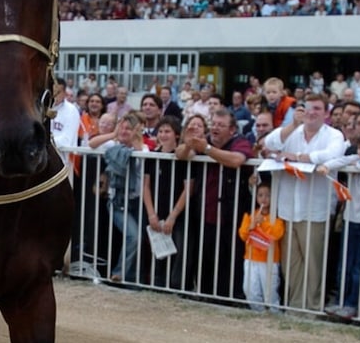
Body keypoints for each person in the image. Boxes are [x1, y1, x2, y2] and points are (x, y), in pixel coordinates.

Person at [263, 93, 348, 311]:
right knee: (291, 264)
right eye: (308, 108)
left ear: (326, 113)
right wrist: (292, 124)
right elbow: (269, 143)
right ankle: (295, 307)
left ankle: (311, 309)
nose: (311, 113)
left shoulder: (334, 135)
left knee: (313, 264)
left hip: (315, 210)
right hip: (287, 208)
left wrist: (298, 157)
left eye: (317, 108)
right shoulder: (293, 130)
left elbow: (332, 154)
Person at [176, 109, 253, 297]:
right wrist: (188, 144)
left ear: (232, 129)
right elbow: (180, 154)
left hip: (232, 214)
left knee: (231, 260)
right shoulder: (205, 140)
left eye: (221, 125)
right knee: (206, 258)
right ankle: (206, 295)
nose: (215, 128)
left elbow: (236, 160)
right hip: (206, 212)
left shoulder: (240, 141)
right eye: (214, 124)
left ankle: (230, 299)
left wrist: (207, 150)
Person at [320, 132, 360, 320]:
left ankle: (353, 303)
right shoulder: (354, 159)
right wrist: (326, 166)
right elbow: (339, 161)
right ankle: (340, 300)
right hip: (350, 219)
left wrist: (357, 164)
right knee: (345, 265)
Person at [143, 117, 192, 288]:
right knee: (159, 250)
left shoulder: (184, 158)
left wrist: (173, 215)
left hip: (179, 212)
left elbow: (189, 188)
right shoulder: (152, 155)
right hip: (157, 210)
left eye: (167, 131)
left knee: (181, 249)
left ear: (176, 135)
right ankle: (158, 283)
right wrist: (151, 213)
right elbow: (146, 186)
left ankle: (177, 285)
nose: (163, 135)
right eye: (161, 131)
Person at [100, 112, 148, 283]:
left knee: (138, 239)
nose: (124, 131)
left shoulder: (143, 149)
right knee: (133, 237)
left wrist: (135, 138)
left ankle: (132, 277)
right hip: (117, 201)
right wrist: (114, 134)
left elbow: (141, 155)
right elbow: (92, 144)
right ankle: (119, 274)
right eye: (122, 127)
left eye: (129, 128)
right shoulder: (113, 146)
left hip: (137, 201)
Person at [238, 183, 284, 312]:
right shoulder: (250, 215)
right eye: (260, 195)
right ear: (256, 197)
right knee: (249, 290)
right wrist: (251, 225)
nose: (264, 198)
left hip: (269, 260)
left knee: (270, 292)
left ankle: (275, 313)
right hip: (251, 258)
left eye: (268, 195)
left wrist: (263, 223)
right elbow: (242, 235)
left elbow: (277, 233)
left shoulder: (276, 217)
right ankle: (258, 312)